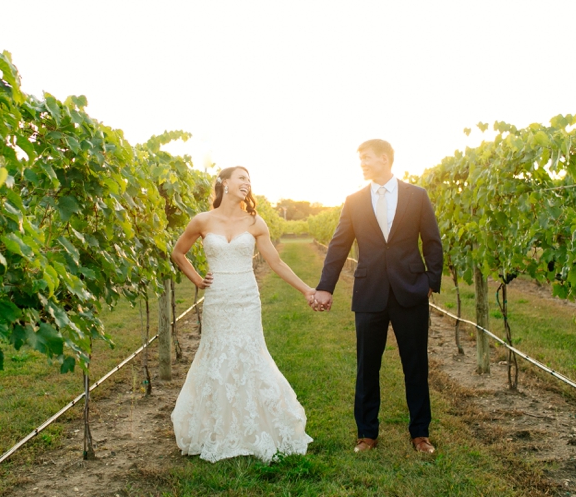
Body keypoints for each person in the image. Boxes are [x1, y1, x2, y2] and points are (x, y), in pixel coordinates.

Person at [170, 166, 316, 463]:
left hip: (246, 298)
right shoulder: (201, 220)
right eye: (241, 178)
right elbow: (178, 253)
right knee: (217, 355)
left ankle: (255, 425)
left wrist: (306, 289)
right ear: (224, 183)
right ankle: (216, 428)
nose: (247, 183)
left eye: (249, 180)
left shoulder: (255, 221)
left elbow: (275, 262)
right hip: (217, 299)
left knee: (249, 354)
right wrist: (198, 280)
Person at [313, 139, 443, 454]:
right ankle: (367, 434)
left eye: (367, 158)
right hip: (369, 292)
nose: (362, 164)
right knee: (367, 365)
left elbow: (432, 240)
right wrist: (325, 287)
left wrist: (431, 281)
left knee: (416, 364)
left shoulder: (417, 196)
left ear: (384, 159)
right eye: (361, 159)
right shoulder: (354, 200)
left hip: (410, 290)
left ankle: (420, 434)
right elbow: (339, 245)